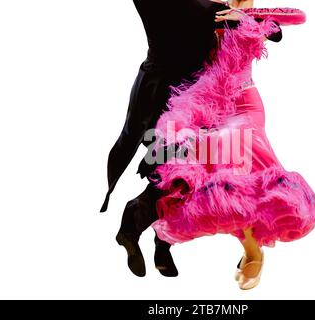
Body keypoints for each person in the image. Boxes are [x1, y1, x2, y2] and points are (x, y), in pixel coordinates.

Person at [149, 1, 315, 290]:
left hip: (244, 104)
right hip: (209, 104)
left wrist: (245, 19)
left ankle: (253, 250)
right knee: (216, 178)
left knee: (241, 173)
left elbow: (285, 24)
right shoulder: (200, 8)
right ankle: (247, 244)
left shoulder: (247, 11)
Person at [100, 0, 231, 277]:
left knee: (186, 174)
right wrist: (232, 15)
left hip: (191, 93)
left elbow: (212, 17)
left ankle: (159, 240)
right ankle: (137, 226)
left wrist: (255, 24)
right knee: (171, 171)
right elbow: (193, 13)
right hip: (162, 96)